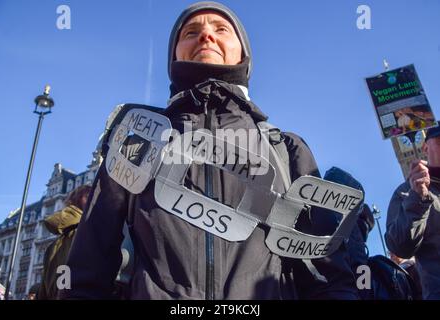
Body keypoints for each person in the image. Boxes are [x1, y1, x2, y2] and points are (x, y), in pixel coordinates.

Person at [61, 1, 358, 300]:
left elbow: (330, 276)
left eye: (221, 29)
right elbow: (86, 273)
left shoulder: (286, 150)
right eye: (191, 31)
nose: (206, 37)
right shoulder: (136, 144)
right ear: (174, 53)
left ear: (243, 52)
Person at [386, 122, 440, 300]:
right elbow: (400, 246)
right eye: (439, 141)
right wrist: (418, 197)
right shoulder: (406, 192)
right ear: (424, 146)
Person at [37, 185, 91, 300]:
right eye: (89, 196)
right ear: (78, 200)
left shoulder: (53, 246)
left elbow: (43, 290)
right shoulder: (89, 230)